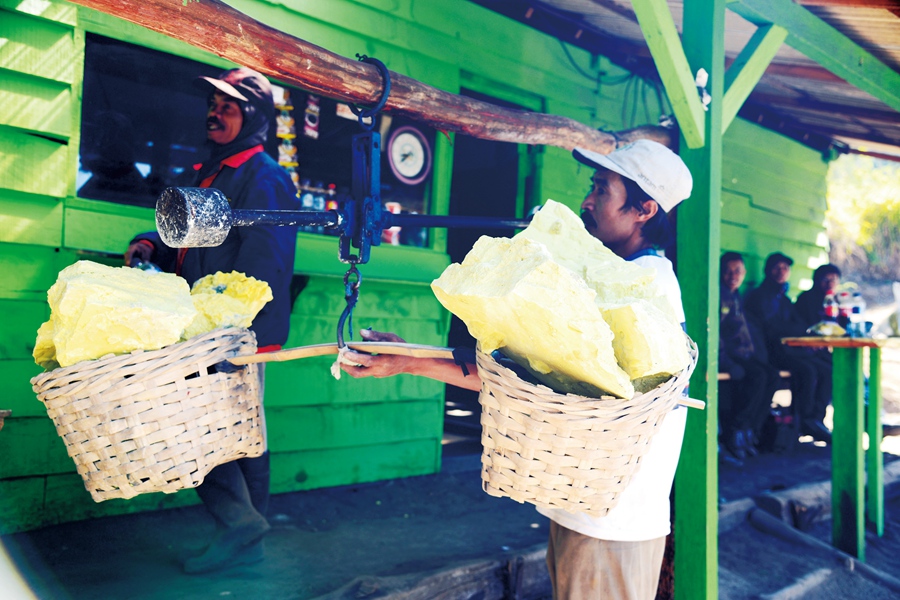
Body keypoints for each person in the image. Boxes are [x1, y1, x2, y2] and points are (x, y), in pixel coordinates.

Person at [340, 139, 693, 600]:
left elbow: (545, 388)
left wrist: (410, 361)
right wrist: (409, 355)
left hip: (614, 521)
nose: (587, 200)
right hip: (589, 508)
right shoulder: (619, 275)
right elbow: (530, 374)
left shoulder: (647, 288)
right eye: (592, 186)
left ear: (644, 209)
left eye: (602, 190)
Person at [124, 67, 298, 573]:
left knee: (212, 433)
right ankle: (248, 537)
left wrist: (227, 332)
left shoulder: (264, 177)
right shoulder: (214, 171)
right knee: (238, 435)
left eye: (228, 106)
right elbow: (192, 234)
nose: (214, 113)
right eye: (213, 104)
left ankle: (241, 527)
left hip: (233, 334)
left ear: (254, 116)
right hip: (210, 330)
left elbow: (264, 266)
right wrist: (151, 242)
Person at [745, 253, 832, 443]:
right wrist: (798, 330)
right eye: (777, 268)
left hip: (789, 350)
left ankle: (816, 418)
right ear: (767, 271)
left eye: (785, 268)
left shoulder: (783, 299)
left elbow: (798, 324)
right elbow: (772, 328)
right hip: (770, 353)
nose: (781, 272)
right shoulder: (760, 297)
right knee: (808, 371)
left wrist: (807, 334)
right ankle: (805, 420)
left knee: (826, 370)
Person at [718, 252, 780, 459]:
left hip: (744, 356)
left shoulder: (735, 296)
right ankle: (736, 431)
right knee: (757, 378)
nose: (732, 275)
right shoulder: (719, 295)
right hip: (727, 359)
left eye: (737, 271)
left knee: (772, 376)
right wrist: (726, 364)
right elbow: (715, 334)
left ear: (744, 273)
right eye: (727, 271)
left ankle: (750, 428)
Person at [795, 263, 842, 328]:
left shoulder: (839, 300)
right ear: (817, 281)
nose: (830, 284)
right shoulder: (805, 299)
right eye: (825, 280)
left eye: (833, 280)